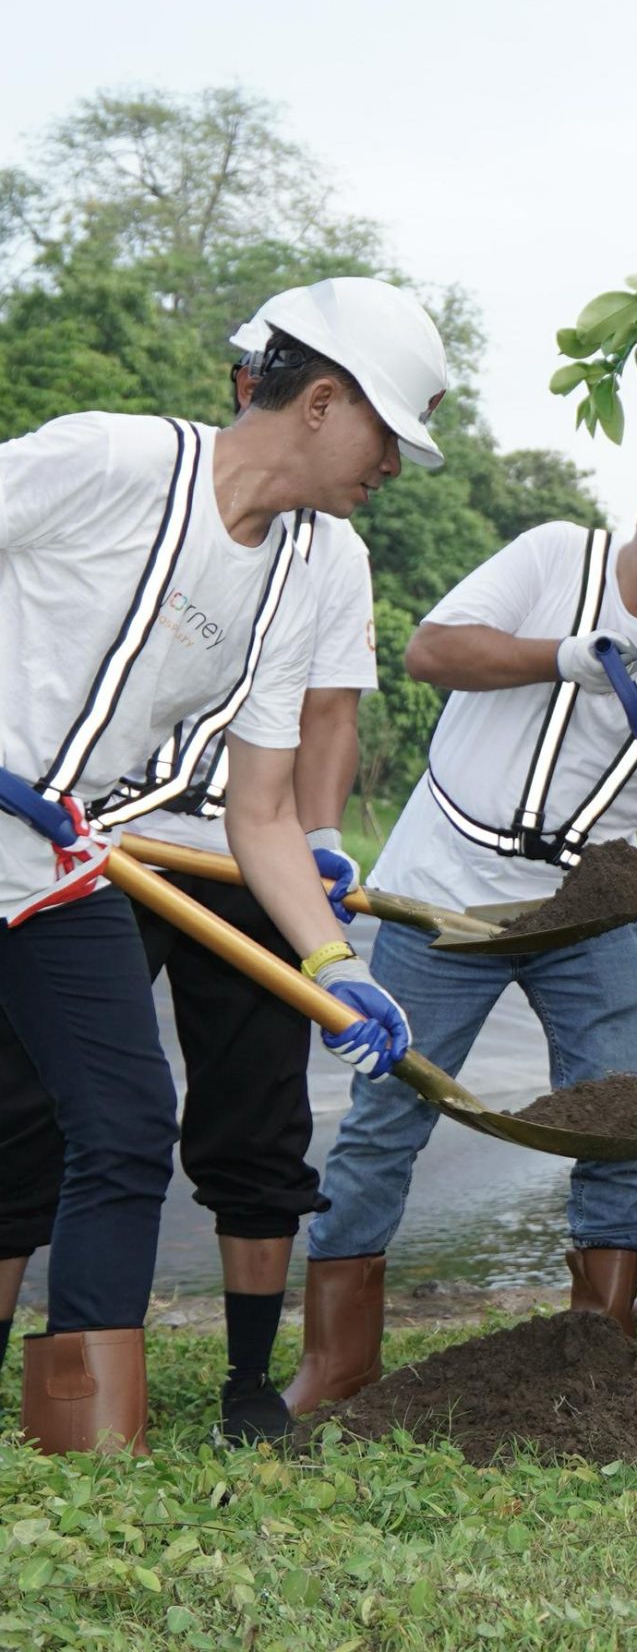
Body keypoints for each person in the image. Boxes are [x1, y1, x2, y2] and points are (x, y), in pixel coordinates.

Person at [0, 276, 447, 1451]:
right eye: (387, 435)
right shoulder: (112, 459)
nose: (392, 465)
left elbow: (261, 815)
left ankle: (87, 1440)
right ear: (322, 400)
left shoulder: (303, 572)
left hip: (56, 858)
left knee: (126, 1122)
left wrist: (332, 962)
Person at [287, 423, 637, 1412]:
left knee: (623, 1117)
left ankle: (601, 1351)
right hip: (444, 890)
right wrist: (560, 657)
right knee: (390, 1113)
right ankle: (338, 1361)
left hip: (585, 906)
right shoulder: (555, 558)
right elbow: (432, 649)